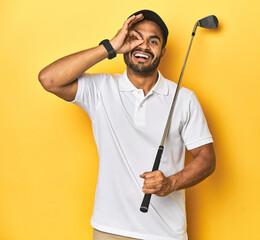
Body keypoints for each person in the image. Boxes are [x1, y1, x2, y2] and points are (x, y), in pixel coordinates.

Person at [38, 9, 216, 240]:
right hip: (110, 230)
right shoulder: (101, 89)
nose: (143, 46)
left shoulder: (184, 98)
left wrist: (171, 183)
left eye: (153, 41)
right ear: (124, 43)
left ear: (162, 52)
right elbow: (49, 79)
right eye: (135, 38)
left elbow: (207, 157)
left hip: (165, 233)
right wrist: (109, 47)